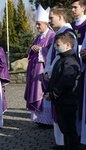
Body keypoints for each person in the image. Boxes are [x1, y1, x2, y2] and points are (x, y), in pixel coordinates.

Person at [44, 5, 79, 149]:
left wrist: (53, 93)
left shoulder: (69, 59)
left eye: (51, 17)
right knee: (65, 128)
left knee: (69, 130)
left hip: (66, 99)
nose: (56, 48)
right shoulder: (62, 57)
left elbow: (67, 79)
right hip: (60, 99)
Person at [24, 4, 55, 128]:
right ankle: (39, 119)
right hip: (34, 71)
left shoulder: (52, 36)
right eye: (37, 24)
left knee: (42, 92)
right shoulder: (38, 37)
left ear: (46, 24)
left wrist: (41, 50)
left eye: (39, 24)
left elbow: (52, 52)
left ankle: (47, 121)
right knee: (35, 92)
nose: (37, 26)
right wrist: (32, 49)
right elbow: (30, 51)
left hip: (43, 72)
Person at [70, 0, 86, 140]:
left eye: (75, 7)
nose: (73, 10)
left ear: (83, 8)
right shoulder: (70, 26)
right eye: (71, 8)